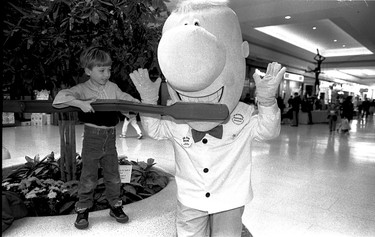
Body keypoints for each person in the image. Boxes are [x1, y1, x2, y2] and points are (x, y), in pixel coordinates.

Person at [129, 1, 286, 236]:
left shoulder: (241, 114)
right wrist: (149, 102)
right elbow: (155, 130)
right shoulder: (176, 115)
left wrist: (266, 102)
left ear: (242, 51)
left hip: (230, 197)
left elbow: (267, 131)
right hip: (190, 196)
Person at [52, 46, 139, 230]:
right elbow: (59, 98)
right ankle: (83, 209)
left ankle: (115, 206)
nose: (106, 74)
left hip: (110, 138)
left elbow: (124, 99)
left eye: (109, 69)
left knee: (113, 175)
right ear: (88, 71)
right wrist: (78, 103)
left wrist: (135, 104)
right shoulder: (82, 89)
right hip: (92, 138)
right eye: (101, 70)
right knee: (88, 176)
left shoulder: (113, 87)